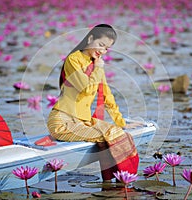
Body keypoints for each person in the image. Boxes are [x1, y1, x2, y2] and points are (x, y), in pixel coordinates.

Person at [47, 24, 139, 182]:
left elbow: (107, 94)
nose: (102, 51)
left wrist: (121, 122)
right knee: (110, 135)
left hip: (83, 122)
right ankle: (121, 181)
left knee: (120, 133)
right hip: (62, 122)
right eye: (101, 45)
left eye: (106, 49)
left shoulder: (96, 64)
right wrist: (97, 68)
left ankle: (114, 180)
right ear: (90, 39)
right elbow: (84, 87)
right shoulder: (73, 59)